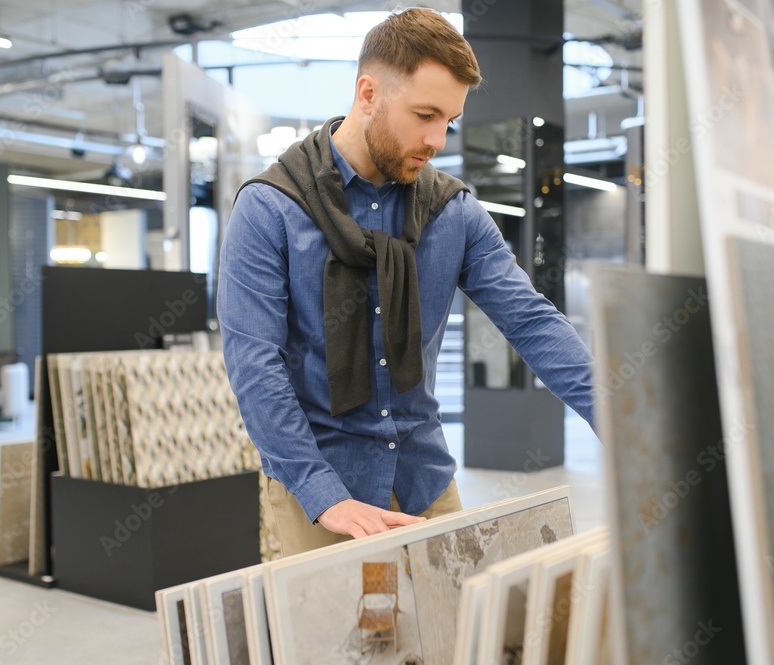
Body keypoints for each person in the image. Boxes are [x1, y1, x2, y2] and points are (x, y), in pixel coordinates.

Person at [218, 7, 595, 557]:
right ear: (368, 93)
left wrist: (629, 427)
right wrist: (325, 497)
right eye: (424, 114)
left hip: (424, 479)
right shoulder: (270, 209)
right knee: (333, 646)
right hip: (318, 489)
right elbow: (255, 365)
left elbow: (533, 322)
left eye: (448, 120)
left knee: (455, 638)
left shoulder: (453, 212)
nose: (438, 139)